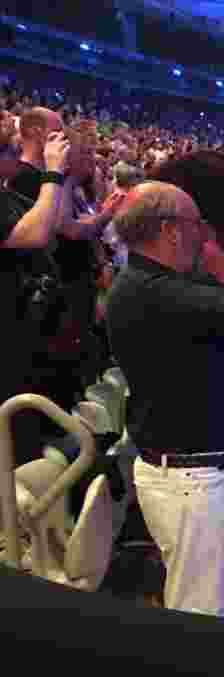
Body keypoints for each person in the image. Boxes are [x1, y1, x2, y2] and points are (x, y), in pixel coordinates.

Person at [104, 168, 224, 616]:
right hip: (194, 482)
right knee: (200, 614)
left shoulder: (163, 283)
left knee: (202, 603)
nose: (202, 233)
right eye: (194, 224)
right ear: (169, 231)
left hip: (201, 477)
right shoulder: (148, 291)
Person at [0, 116, 70, 464]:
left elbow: (53, 220)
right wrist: (54, 173)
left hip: (19, 321)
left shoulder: (8, 194)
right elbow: (35, 234)